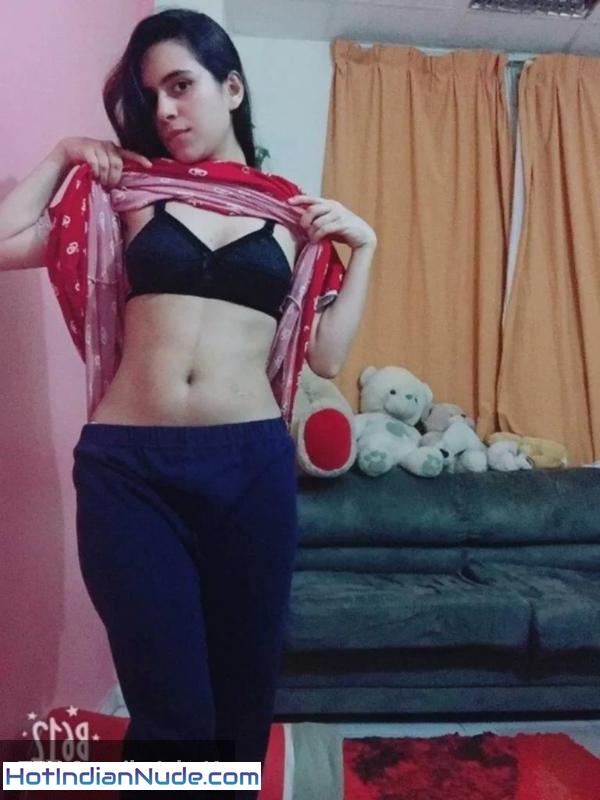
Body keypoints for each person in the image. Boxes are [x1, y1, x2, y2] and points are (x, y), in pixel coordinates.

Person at [0, 8, 377, 798]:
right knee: (171, 712)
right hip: (130, 474)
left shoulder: (291, 217)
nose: (166, 110)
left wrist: (365, 248)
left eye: (181, 86)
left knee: (241, 705)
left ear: (231, 87)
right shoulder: (126, 196)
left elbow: (328, 356)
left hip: (251, 472)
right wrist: (63, 153)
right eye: (152, 97)